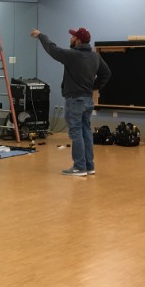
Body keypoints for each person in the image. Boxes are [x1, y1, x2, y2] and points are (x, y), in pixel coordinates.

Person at [30, 27, 112, 176]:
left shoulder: (72, 55)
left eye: (73, 36)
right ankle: (89, 166)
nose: (70, 38)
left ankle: (79, 167)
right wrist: (93, 87)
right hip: (88, 100)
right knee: (86, 131)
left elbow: (52, 49)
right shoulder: (95, 56)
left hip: (75, 100)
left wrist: (41, 35)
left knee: (76, 133)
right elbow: (106, 73)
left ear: (78, 40)